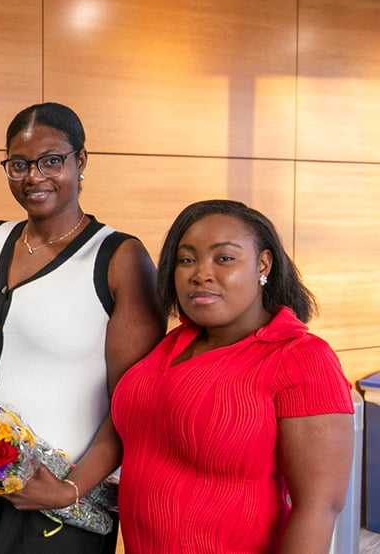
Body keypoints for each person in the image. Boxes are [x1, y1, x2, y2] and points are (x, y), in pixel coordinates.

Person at [0, 101, 165, 554]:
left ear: (80, 160)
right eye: (19, 164)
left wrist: (69, 489)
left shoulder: (119, 258)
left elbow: (133, 404)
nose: (34, 177)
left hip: (56, 502)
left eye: (52, 161)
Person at [113, 200, 354, 553]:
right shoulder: (170, 344)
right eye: (186, 259)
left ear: (263, 264)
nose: (201, 274)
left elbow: (319, 507)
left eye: (224, 258)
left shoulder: (301, 358)